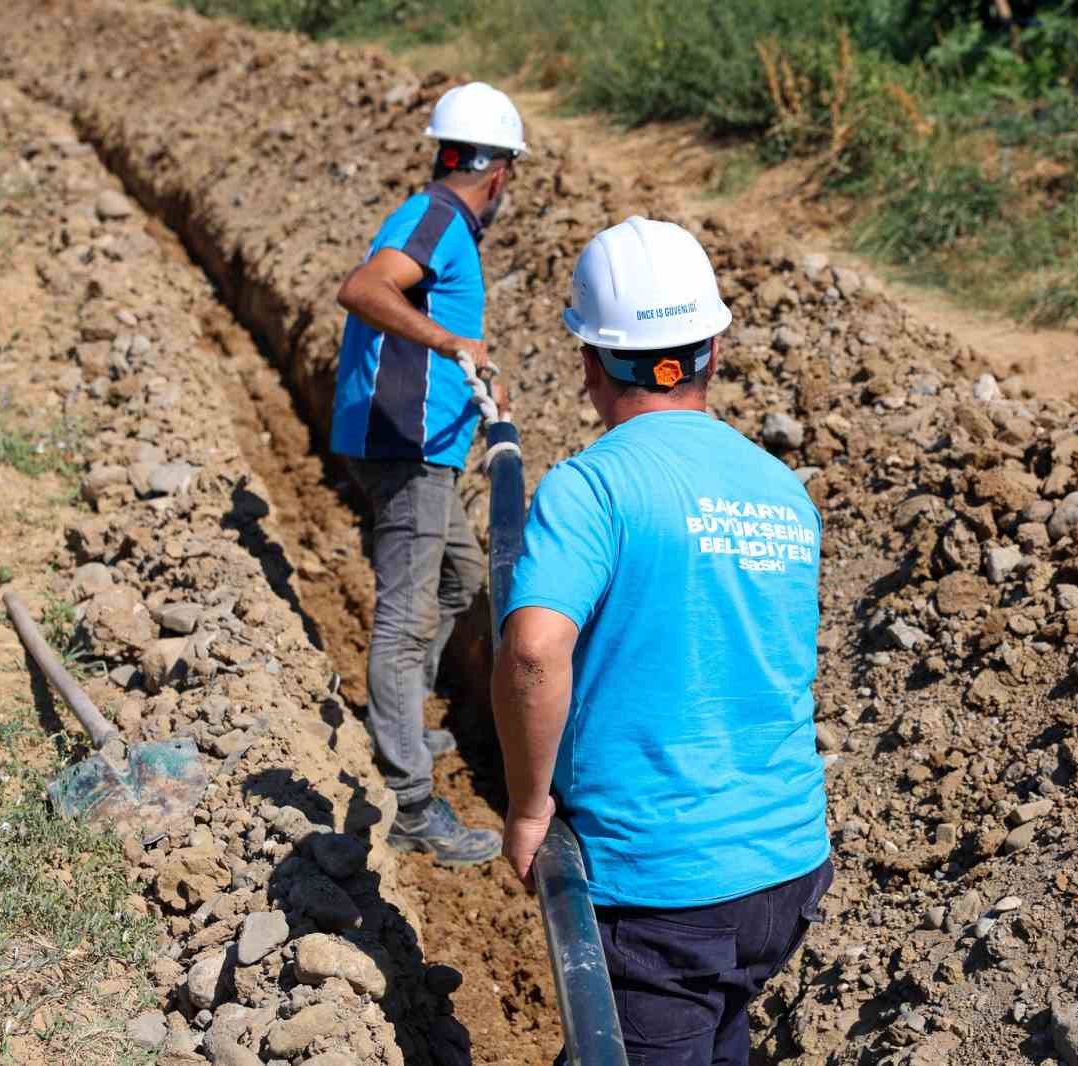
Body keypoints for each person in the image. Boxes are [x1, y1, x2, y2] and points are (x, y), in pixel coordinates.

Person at [491, 216, 832, 1064]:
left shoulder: (591, 488)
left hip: (662, 883)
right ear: (712, 349)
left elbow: (534, 650)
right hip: (785, 868)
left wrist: (531, 806)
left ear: (589, 363)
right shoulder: (783, 492)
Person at [331, 82, 528, 866]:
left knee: (463, 577)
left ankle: (404, 718)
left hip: (425, 445)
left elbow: (433, 329)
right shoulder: (438, 217)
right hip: (404, 447)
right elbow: (364, 289)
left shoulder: (442, 225)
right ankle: (410, 801)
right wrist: (453, 347)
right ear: (499, 173)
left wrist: (474, 374)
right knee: (407, 616)